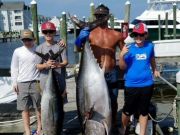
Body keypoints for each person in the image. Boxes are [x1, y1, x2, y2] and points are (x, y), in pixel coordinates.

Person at [75, 4, 124, 132]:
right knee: (94, 103)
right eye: (97, 16)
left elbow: (124, 53)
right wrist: (80, 39)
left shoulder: (117, 34)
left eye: (102, 16)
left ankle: (111, 125)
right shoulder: (89, 34)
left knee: (112, 102)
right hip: (94, 76)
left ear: (108, 17)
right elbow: (77, 49)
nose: (99, 18)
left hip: (111, 72)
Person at [119, 22, 160, 135]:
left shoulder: (150, 46)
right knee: (127, 111)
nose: (138, 37)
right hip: (131, 85)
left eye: (141, 35)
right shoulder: (129, 48)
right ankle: (123, 128)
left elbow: (151, 58)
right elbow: (122, 67)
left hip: (147, 84)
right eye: (136, 35)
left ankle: (142, 133)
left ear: (146, 35)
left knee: (144, 111)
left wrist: (155, 69)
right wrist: (121, 55)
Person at [11, 29, 41, 135]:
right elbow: (14, 68)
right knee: (24, 109)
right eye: (24, 40)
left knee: (39, 107)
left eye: (29, 39)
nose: (27, 42)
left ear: (34, 39)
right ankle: (27, 131)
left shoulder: (39, 49)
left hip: (37, 82)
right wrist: (14, 82)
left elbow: (51, 50)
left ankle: (39, 129)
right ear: (21, 40)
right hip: (21, 83)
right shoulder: (17, 51)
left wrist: (62, 42)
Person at [35, 21, 68, 119]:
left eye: (51, 31)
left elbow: (66, 62)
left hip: (60, 81)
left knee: (60, 106)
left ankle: (59, 128)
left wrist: (58, 65)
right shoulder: (39, 48)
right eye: (46, 32)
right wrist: (46, 65)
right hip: (45, 82)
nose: (48, 34)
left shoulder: (60, 46)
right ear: (43, 33)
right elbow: (37, 66)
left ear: (54, 32)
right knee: (46, 106)